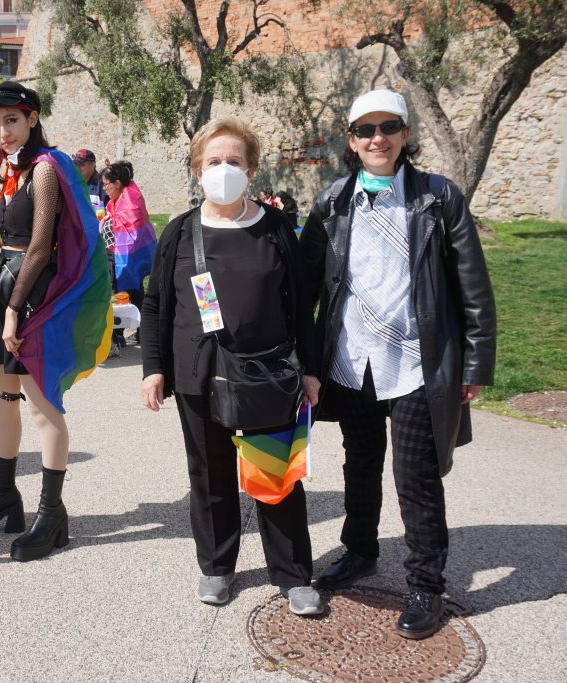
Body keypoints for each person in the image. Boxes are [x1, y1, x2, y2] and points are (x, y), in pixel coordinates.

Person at [301, 89, 496, 639]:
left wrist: (475, 364)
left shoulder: (437, 197)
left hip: (415, 362)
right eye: (365, 130)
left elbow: (473, 285)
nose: (377, 138)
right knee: (359, 466)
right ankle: (360, 550)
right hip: (352, 360)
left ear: (406, 134)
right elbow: (304, 284)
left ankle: (426, 586)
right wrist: (302, 358)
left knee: (417, 478)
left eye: (389, 127)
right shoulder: (333, 202)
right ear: (351, 140)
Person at [139, 118, 323, 615]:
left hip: (269, 375)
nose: (224, 169)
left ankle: (293, 574)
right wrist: (153, 368)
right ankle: (217, 567)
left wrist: (309, 369)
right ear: (198, 169)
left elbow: (300, 305)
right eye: (214, 161)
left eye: (234, 161)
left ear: (251, 169)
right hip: (199, 375)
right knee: (210, 475)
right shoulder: (180, 231)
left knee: (275, 476)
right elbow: (156, 305)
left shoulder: (276, 228)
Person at [0, 81, 112, 562]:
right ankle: (4, 495)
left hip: (31, 293)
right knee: (0, 398)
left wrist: (12, 309)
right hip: (2, 282)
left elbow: (41, 247)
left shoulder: (45, 168)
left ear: (32, 119)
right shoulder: (8, 167)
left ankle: (51, 513)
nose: (2, 132)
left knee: (43, 406)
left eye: (11, 121)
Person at [101, 160, 156, 354]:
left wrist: (109, 222)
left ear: (117, 183)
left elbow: (130, 234)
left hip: (127, 258)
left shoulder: (131, 202)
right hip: (119, 256)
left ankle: (118, 337)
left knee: (121, 294)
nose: (104, 188)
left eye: (106, 184)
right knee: (132, 293)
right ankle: (140, 333)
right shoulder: (122, 197)